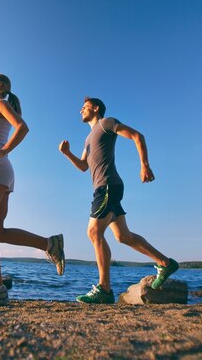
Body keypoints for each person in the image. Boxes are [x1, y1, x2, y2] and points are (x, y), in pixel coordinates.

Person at [59, 97, 178, 304]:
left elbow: (136, 136)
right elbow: (83, 166)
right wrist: (67, 153)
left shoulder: (106, 123)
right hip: (105, 187)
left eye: (84, 107)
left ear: (95, 109)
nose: (80, 110)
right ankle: (165, 263)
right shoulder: (88, 139)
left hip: (107, 186)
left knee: (94, 232)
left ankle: (104, 289)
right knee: (123, 236)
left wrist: (144, 165)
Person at [0, 73, 65, 306]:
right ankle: (49, 244)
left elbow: (22, 127)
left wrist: (5, 151)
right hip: (2, 171)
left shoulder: (0, 104)